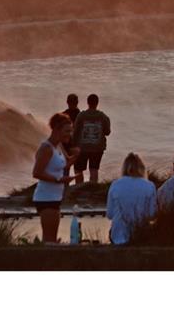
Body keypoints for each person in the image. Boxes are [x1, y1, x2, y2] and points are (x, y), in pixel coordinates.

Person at [32, 113, 78, 242]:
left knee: (52, 239)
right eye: (67, 131)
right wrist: (59, 180)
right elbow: (36, 173)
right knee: (49, 239)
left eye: (71, 131)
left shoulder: (58, 145)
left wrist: (76, 156)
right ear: (57, 129)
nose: (70, 134)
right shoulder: (46, 148)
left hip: (55, 197)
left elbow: (65, 164)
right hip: (45, 198)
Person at [106, 152, 156, 245]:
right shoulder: (149, 185)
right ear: (141, 168)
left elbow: (109, 214)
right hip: (141, 235)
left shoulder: (115, 185)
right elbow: (152, 214)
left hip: (117, 236)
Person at [73, 93, 111, 183]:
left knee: (78, 170)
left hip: (82, 147)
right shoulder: (103, 116)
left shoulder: (81, 116)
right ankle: (92, 188)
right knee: (94, 170)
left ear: (87, 103)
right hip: (97, 148)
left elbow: (75, 131)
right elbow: (107, 132)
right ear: (97, 103)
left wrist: (74, 146)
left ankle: (78, 189)